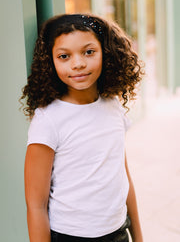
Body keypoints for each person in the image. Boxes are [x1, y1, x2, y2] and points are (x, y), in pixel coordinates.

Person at [21, 13, 144, 242]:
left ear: (106, 53)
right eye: (64, 56)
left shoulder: (113, 105)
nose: (78, 63)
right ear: (51, 61)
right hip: (71, 237)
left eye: (89, 52)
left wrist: (138, 236)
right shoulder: (48, 120)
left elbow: (122, 175)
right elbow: (36, 205)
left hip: (118, 232)